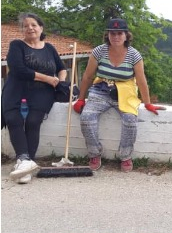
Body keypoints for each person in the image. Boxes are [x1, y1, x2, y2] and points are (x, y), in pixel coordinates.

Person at [73, 18, 159, 173]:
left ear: (126, 35)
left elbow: (141, 80)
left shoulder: (134, 55)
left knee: (130, 119)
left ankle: (125, 156)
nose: (116, 37)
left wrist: (147, 103)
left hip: (126, 91)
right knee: (86, 117)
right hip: (101, 90)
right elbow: (87, 76)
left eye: (120, 33)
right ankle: (94, 153)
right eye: (112, 33)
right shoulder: (99, 51)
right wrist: (80, 98)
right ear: (108, 35)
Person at [2, 13, 67, 184]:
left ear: (41, 28)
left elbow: (61, 68)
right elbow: (18, 70)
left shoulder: (49, 48)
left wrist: (60, 81)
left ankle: (25, 165)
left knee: (33, 122)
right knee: (13, 119)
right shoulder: (17, 45)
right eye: (25, 26)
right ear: (22, 30)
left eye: (34, 25)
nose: (30, 28)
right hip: (16, 88)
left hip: (42, 93)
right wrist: (48, 78)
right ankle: (25, 161)